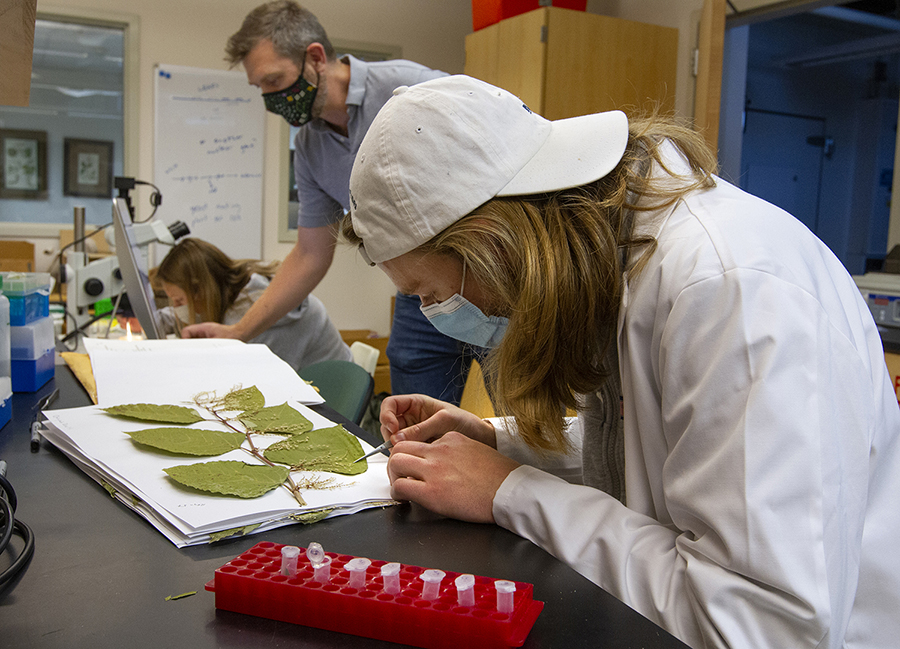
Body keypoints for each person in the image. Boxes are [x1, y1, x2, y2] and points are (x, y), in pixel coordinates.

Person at [341, 75, 900, 648]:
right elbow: (668, 448)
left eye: (429, 293)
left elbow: (756, 627)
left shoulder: (729, 291)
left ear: (494, 244)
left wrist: (511, 491)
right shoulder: (628, 257)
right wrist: (498, 442)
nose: (429, 312)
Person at [179, 0, 480, 405]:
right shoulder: (309, 148)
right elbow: (309, 254)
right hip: (419, 294)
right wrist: (238, 332)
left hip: (486, 276)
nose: (271, 98)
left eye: (274, 80)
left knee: (519, 407)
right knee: (418, 421)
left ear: (315, 57)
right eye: (261, 88)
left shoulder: (410, 88)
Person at [154, 237, 351, 371]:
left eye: (179, 301)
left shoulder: (258, 313)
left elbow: (255, 383)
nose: (178, 308)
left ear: (200, 290)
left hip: (332, 396)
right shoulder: (236, 291)